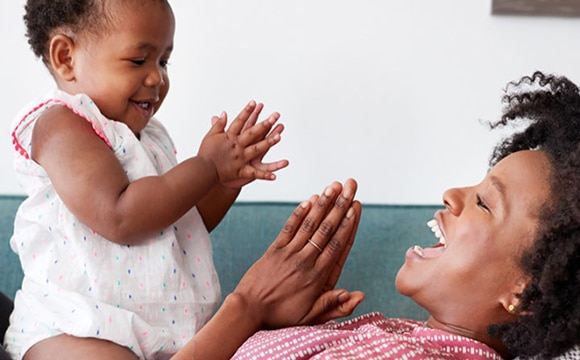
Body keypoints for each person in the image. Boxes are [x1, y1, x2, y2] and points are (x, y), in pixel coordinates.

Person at [4, 0, 366, 359]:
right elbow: (120, 215)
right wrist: (207, 166)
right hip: (73, 328)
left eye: (164, 61)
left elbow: (180, 223)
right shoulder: (63, 124)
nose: (156, 78)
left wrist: (224, 182)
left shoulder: (152, 136)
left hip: (157, 334)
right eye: (138, 60)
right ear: (66, 57)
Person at [228, 71, 580, 360]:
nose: (453, 195)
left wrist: (248, 306)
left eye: (484, 203)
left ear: (523, 293)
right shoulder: (408, 339)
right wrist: (281, 327)